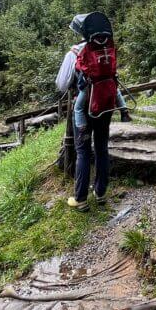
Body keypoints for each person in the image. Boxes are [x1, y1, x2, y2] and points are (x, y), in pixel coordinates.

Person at [56, 13, 130, 210]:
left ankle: (80, 199)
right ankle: (100, 193)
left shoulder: (74, 53)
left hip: (85, 107)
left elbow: (62, 85)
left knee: (82, 152)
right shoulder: (107, 47)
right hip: (105, 104)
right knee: (102, 148)